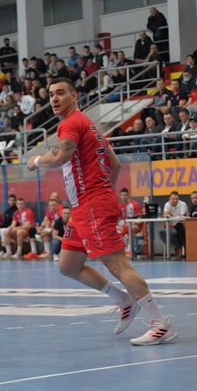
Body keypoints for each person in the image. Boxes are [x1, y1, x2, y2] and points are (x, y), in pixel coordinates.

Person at [27, 77, 178, 345]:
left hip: (92, 204)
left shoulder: (70, 123)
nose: (54, 98)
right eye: (51, 94)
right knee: (68, 265)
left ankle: (161, 324)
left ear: (74, 96)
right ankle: (124, 300)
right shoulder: (90, 125)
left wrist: (36, 160)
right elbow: (115, 165)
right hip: (83, 206)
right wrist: (104, 190)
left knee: (117, 265)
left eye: (60, 93)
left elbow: (60, 157)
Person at [159, 191, 188, 259]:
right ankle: (177, 246)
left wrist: (171, 215)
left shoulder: (182, 204)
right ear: (170, 198)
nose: (175, 201)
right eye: (173, 199)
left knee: (179, 229)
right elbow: (164, 214)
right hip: (173, 226)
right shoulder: (167, 204)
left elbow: (182, 216)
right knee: (162, 233)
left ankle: (181, 248)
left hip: (182, 225)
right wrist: (171, 206)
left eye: (176, 199)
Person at [118, 187, 143, 256]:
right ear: (120, 196)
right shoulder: (120, 206)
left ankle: (129, 249)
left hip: (136, 226)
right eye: (122, 195)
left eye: (125, 195)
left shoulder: (135, 204)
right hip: (126, 226)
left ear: (128, 195)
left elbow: (139, 219)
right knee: (117, 230)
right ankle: (118, 251)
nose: (124, 197)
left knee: (132, 228)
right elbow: (117, 218)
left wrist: (130, 223)